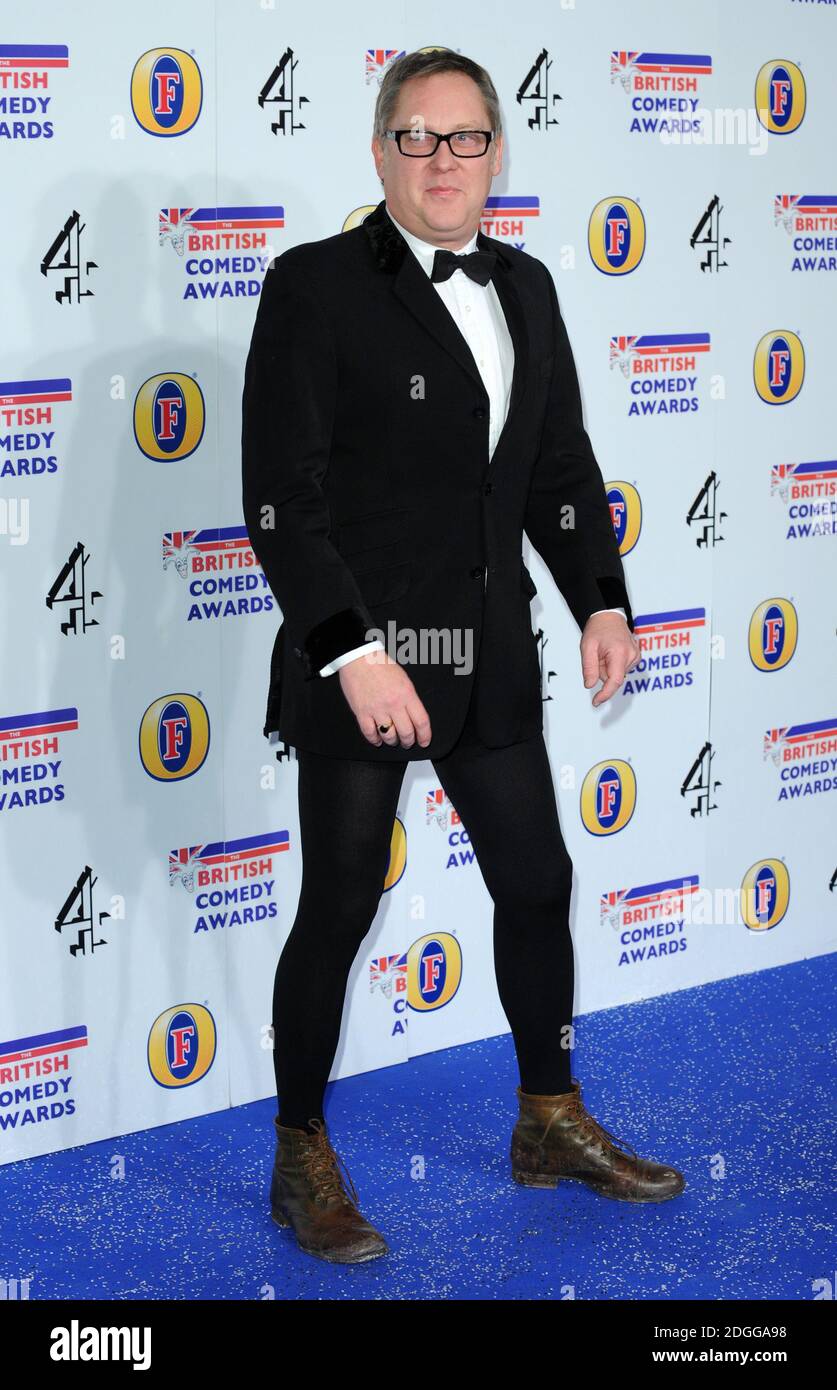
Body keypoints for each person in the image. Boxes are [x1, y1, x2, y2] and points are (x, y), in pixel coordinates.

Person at [241, 48, 685, 1266]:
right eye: (419, 137)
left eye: (467, 137)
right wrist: (350, 653)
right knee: (336, 907)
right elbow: (282, 498)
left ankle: (547, 1120)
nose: (444, 160)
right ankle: (298, 1153)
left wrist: (600, 598)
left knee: (537, 884)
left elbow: (556, 470)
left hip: (487, 655)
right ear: (380, 151)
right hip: (367, 665)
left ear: (498, 150)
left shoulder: (529, 287)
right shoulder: (313, 287)